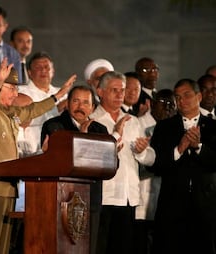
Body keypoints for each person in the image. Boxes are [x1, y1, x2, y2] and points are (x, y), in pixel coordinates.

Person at [0, 58, 76, 254]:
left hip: (7, 189)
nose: (16, 94)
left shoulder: (11, 113)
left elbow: (32, 110)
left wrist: (58, 95)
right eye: (11, 88)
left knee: (1, 247)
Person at [90, 71, 155, 254]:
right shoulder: (92, 121)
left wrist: (142, 152)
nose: (120, 95)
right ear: (100, 92)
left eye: (122, 90)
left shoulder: (133, 121)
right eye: (114, 90)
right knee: (100, 247)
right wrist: (115, 134)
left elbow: (151, 158)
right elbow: (93, 156)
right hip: (104, 196)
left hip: (128, 196)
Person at [150, 79, 216, 254]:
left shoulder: (213, 127)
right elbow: (156, 166)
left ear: (199, 96)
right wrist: (179, 150)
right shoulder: (164, 127)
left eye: (187, 95)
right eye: (178, 97)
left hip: (205, 206)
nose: (182, 101)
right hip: (171, 206)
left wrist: (198, 147)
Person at [41, 85, 108, 254]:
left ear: (92, 107)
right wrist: (83, 137)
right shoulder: (54, 126)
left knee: (89, 248)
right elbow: (58, 162)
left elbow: (107, 165)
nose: (80, 106)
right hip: (61, 198)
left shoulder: (100, 130)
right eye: (76, 101)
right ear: (68, 103)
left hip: (91, 198)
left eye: (86, 102)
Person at [134, 89, 176, 254]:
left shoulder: (174, 128)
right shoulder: (138, 124)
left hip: (165, 197)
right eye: (162, 103)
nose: (167, 108)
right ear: (152, 104)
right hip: (141, 195)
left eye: (171, 104)